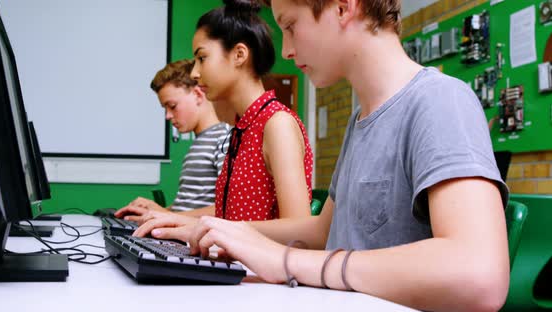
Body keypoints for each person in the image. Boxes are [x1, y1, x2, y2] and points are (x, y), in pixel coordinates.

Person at [184, 0, 511, 311]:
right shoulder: (360, 121)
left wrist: (285, 261)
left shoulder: (440, 100)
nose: (286, 49)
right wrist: (229, 231)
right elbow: (322, 231)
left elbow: (480, 274)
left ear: (342, 7)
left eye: (291, 26)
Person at [130, 0, 314, 241]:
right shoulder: (242, 129)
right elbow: (232, 219)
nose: (195, 73)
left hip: (261, 276)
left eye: (202, 58)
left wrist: (195, 226)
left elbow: (299, 235)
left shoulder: (276, 123)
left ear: (239, 55)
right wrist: (176, 220)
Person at [115, 59, 231, 220]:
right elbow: (189, 206)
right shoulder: (199, 144)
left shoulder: (225, 139)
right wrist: (154, 211)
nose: (168, 115)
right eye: (165, 108)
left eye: (173, 106)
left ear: (197, 95)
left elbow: (230, 209)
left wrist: (165, 215)